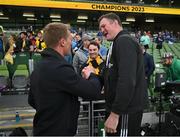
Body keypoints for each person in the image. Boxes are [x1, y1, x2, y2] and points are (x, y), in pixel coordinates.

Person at [28, 23, 103, 136]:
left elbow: (31, 100)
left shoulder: (39, 66)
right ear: (62, 42)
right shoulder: (60, 68)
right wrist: (92, 74)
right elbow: (92, 91)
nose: (71, 43)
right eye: (70, 39)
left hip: (42, 128)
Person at [98, 13, 148, 136]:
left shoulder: (124, 41)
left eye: (104, 26)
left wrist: (115, 114)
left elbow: (127, 81)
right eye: (100, 28)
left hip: (125, 111)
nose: (102, 31)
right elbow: (112, 74)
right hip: (121, 110)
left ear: (115, 23)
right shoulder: (117, 42)